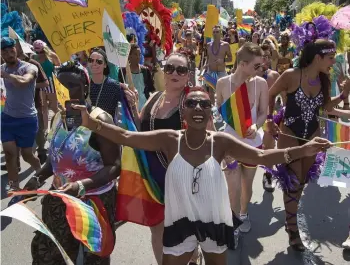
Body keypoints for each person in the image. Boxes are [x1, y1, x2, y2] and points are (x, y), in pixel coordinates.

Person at [73, 87, 331, 265]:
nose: (198, 107)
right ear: (183, 112)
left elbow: (261, 157)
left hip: (213, 222)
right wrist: (92, 123)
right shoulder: (168, 140)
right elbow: (127, 137)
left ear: (210, 112)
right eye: (192, 103)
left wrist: (303, 149)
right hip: (179, 222)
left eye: (204, 104)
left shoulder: (220, 142)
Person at [25, 60, 121, 264]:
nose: (67, 92)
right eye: (62, 86)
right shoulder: (58, 117)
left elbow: (114, 166)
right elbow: (56, 158)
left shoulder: (100, 119)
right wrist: (38, 178)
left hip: (94, 202)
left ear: (85, 87)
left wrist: (81, 185)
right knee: (49, 253)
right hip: (60, 198)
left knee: (93, 257)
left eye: (73, 86)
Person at [267, 39, 350, 251]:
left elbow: (325, 107)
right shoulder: (292, 75)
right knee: (293, 182)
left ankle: (290, 218)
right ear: (317, 58)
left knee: (301, 182)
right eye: (330, 58)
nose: (333, 62)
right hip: (290, 134)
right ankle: (292, 228)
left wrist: (343, 95)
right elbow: (271, 93)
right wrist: (269, 119)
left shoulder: (324, 79)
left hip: (312, 135)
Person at [126, 52, 204, 265]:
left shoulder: (192, 104)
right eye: (170, 68)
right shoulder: (153, 97)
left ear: (188, 76)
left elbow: (210, 140)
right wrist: (133, 106)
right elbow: (139, 129)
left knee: (184, 231)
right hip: (152, 179)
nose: (175, 73)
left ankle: (193, 258)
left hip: (182, 180)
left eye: (181, 70)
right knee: (157, 229)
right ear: (163, 71)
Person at [216, 43, 268, 242]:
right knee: (233, 187)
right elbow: (220, 113)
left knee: (247, 185)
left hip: (253, 145)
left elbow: (264, 112)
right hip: (229, 146)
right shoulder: (223, 84)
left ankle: (244, 212)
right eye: (256, 66)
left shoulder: (260, 83)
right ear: (243, 64)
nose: (260, 69)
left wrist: (256, 125)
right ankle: (234, 223)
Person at [0, 37, 41, 192]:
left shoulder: (30, 67)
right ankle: (14, 188)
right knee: (10, 156)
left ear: (16, 49)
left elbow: (24, 81)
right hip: (7, 118)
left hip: (27, 119)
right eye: (5, 51)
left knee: (27, 155)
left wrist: (5, 75)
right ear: (1, 53)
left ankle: (38, 168)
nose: (10, 54)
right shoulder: (2, 68)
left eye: (12, 50)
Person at [259, 42, 280, 193]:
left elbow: (285, 99)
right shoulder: (248, 74)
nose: (265, 60)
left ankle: (268, 174)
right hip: (250, 119)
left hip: (268, 117)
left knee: (268, 148)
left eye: (267, 57)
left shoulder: (274, 76)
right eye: (262, 57)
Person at [33, 40, 61, 130]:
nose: (39, 53)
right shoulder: (34, 57)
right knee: (43, 108)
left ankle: (64, 121)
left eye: (40, 51)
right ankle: (45, 129)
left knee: (54, 107)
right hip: (40, 83)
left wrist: (55, 69)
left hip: (51, 83)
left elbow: (59, 67)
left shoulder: (52, 55)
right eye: (37, 51)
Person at [118, 44, 155, 111]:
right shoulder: (123, 72)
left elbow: (151, 89)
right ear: (129, 56)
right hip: (129, 108)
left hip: (144, 107)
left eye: (139, 54)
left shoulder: (145, 71)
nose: (138, 57)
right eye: (135, 54)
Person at [87, 48, 121, 120]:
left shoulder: (114, 86)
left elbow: (120, 112)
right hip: (85, 128)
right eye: (91, 60)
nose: (94, 63)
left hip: (107, 127)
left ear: (105, 65)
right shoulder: (83, 83)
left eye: (99, 61)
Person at [205, 26, 232, 102]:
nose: (215, 33)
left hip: (221, 72)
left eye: (217, 32)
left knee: (223, 93)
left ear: (220, 33)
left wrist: (223, 60)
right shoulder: (208, 45)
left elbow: (231, 59)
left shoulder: (225, 45)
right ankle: (213, 110)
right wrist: (205, 65)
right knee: (210, 93)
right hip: (211, 71)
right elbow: (208, 58)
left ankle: (222, 110)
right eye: (214, 32)